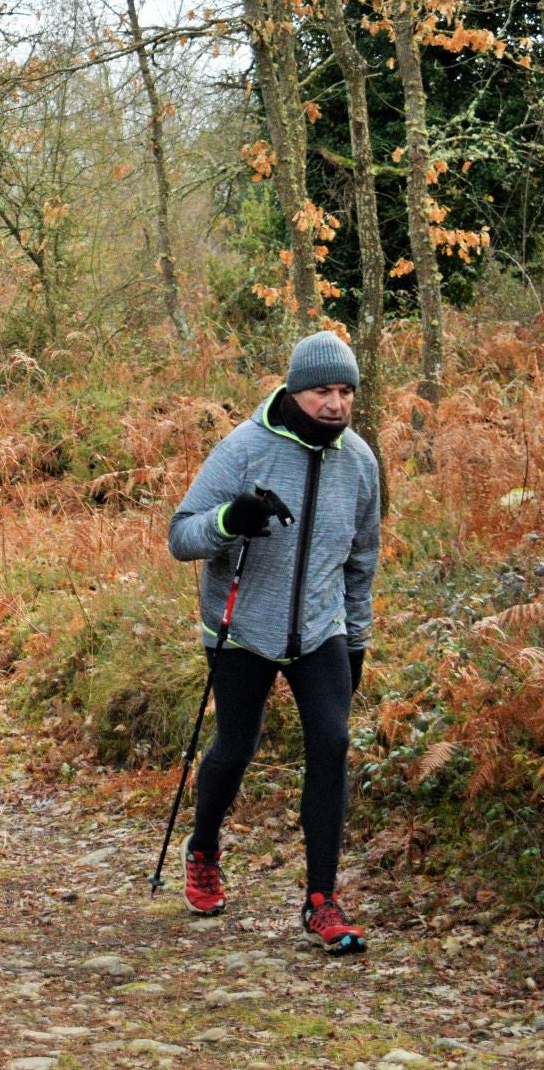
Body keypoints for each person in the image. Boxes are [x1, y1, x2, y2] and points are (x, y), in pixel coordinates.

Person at [168, 331, 381, 955]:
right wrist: (230, 521)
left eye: (345, 392)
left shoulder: (360, 462)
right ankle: (203, 847)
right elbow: (182, 536)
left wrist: (358, 637)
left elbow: (362, 558)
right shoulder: (244, 448)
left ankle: (322, 899)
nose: (335, 404)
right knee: (236, 745)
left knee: (332, 742)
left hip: (322, 627)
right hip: (242, 627)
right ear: (294, 390)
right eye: (322, 391)